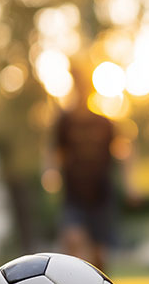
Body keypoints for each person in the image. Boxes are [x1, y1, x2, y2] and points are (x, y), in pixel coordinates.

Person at [52, 71, 133, 271]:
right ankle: (69, 283)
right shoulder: (65, 121)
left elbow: (124, 150)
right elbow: (54, 150)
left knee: (100, 252)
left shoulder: (104, 122)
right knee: (72, 238)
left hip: (101, 192)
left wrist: (130, 184)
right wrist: (50, 172)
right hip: (74, 192)